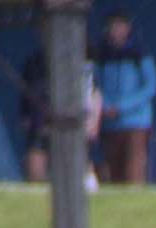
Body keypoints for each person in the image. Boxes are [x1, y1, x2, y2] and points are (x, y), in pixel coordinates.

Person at [18, 37, 100, 185]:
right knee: (36, 170)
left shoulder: (82, 63)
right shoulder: (35, 62)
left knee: (79, 163)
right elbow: (27, 95)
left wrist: (93, 120)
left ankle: (89, 191)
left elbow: (94, 93)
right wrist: (27, 116)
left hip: (71, 122)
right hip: (41, 124)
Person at [92, 14, 156, 184]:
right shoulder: (101, 55)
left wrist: (121, 107)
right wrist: (105, 107)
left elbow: (150, 87)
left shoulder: (139, 53)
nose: (116, 31)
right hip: (110, 124)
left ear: (128, 28)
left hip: (136, 123)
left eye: (120, 26)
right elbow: (95, 85)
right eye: (113, 26)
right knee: (114, 172)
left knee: (134, 171)